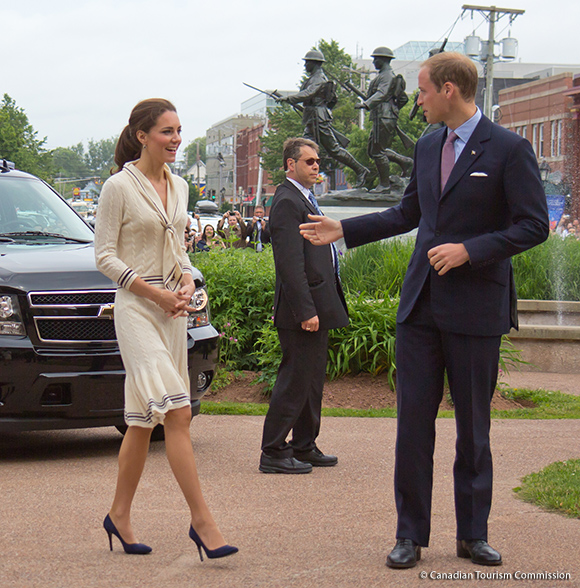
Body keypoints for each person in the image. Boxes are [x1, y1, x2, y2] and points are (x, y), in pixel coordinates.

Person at [300, 53, 549, 568]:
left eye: (422, 91)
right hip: (420, 309)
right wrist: (344, 230)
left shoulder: (509, 149)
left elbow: (533, 225)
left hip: (477, 310)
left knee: (473, 430)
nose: (416, 100)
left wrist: (470, 250)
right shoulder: (428, 144)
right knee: (412, 427)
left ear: (450, 90)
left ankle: (472, 535)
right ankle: (409, 535)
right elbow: (408, 213)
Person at [94, 98, 237, 560]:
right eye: (167, 132)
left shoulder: (179, 187)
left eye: (179, 130)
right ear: (142, 135)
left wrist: (187, 280)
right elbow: (104, 256)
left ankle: (118, 514)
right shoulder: (118, 186)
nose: (177, 139)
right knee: (178, 413)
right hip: (135, 309)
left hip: (172, 313)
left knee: (139, 423)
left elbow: (178, 249)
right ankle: (203, 522)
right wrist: (154, 293)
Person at [259, 137, 349, 474]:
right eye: (309, 161)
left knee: (311, 381)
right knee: (295, 380)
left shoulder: (306, 198)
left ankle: (304, 444)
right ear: (290, 165)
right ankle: (274, 450)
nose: (316, 167)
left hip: (318, 305)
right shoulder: (286, 201)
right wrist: (306, 310)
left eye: (317, 161)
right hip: (302, 310)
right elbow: (289, 263)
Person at [278, 50, 370, 189]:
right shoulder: (314, 78)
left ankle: (361, 170)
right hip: (312, 118)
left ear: (314, 63)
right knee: (304, 150)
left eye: (307, 62)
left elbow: (309, 93)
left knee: (332, 149)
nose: (305, 65)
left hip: (318, 119)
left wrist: (289, 97)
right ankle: (306, 185)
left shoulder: (319, 78)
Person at [355, 47, 413, 193]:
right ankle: (404, 161)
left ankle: (384, 185)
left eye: (376, 58)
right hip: (381, 116)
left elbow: (382, 93)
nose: (374, 61)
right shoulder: (383, 75)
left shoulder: (387, 76)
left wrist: (366, 104)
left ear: (383, 59)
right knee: (372, 150)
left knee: (378, 151)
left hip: (384, 116)